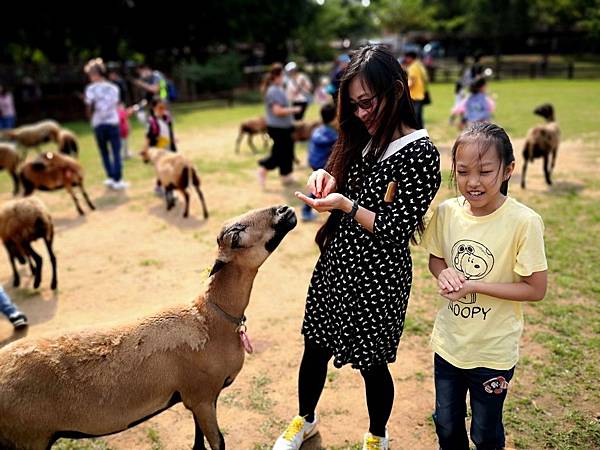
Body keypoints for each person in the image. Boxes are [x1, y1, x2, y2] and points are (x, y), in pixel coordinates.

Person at [273, 44, 441, 450]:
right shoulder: (361, 136)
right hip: (338, 263)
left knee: (372, 364)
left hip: (380, 275)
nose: (361, 113)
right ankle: (305, 420)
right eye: (354, 105)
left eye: (368, 103)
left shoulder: (421, 154)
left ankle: (376, 437)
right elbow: (338, 177)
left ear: (398, 92)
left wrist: (346, 206)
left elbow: (394, 229)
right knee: (315, 347)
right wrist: (324, 176)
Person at [421, 122, 548, 450]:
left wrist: (476, 286)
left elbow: (535, 289)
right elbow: (436, 259)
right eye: (462, 171)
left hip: (493, 352)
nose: (472, 182)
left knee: (486, 432)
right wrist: (444, 272)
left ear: (508, 170)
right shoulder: (447, 212)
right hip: (450, 345)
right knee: (446, 425)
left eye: (485, 171)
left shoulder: (524, 222)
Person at [84, 58, 127, 190]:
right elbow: (116, 104)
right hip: (112, 122)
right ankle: (117, 178)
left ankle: (110, 176)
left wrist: (90, 116)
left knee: (104, 152)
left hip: (98, 124)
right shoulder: (113, 87)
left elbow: (89, 106)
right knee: (116, 151)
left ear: (94, 74)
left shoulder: (90, 89)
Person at [257, 64, 301, 188]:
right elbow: (277, 111)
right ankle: (263, 169)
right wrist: (293, 110)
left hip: (284, 127)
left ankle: (286, 176)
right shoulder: (273, 91)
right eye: (283, 75)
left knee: (287, 150)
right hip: (277, 128)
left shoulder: (278, 89)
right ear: (278, 76)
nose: (285, 78)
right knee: (279, 153)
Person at [301, 103, 338, 222]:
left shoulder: (318, 130)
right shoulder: (333, 136)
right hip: (322, 165)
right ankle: (306, 211)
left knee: (319, 186)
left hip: (314, 162)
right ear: (334, 118)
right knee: (319, 188)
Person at [403, 50, 429, 129]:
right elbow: (425, 78)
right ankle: (421, 129)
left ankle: (417, 130)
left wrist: (405, 88)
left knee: (415, 115)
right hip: (420, 93)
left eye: (407, 57)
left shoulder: (412, 67)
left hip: (415, 94)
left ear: (410, 58)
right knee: (419, 116)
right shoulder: (419, 65)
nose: (406, 59)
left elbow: (412, 81)